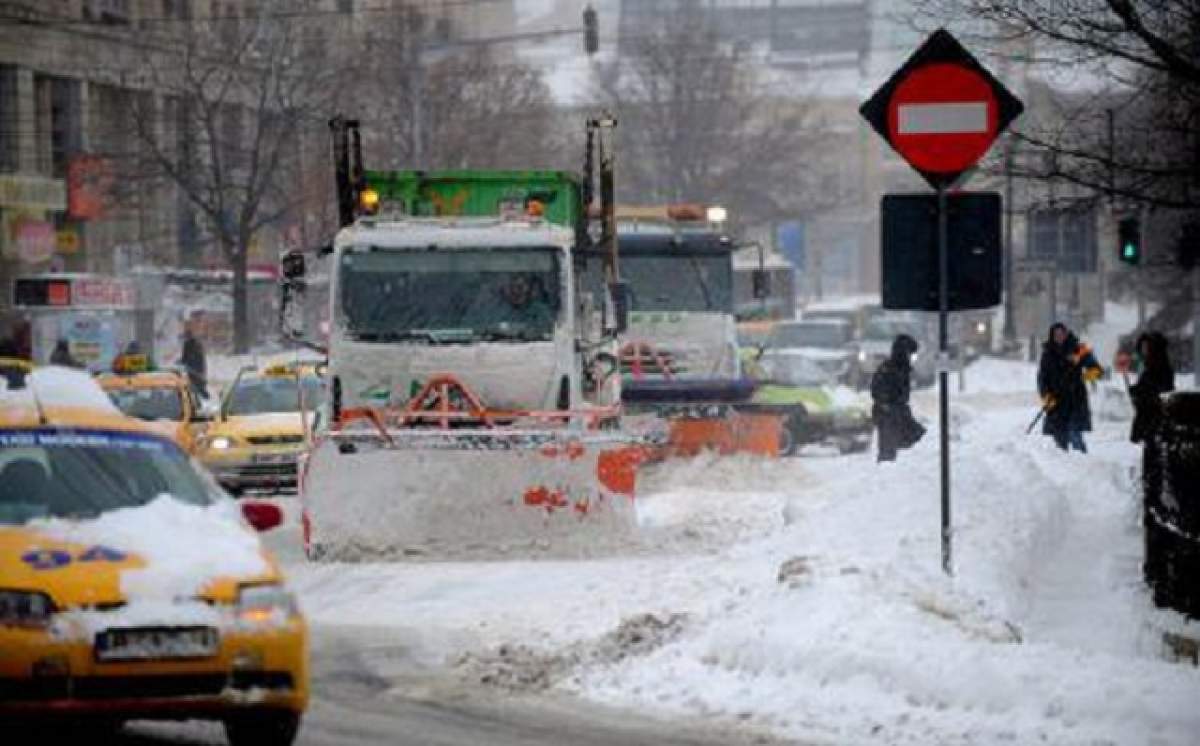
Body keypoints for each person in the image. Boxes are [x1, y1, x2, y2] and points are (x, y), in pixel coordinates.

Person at [1037, 322, 1103, 453]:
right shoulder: (1048, 353)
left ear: (1066, 334)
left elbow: (1097, 371)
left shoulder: (1079, 349)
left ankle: (1084, 464)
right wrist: (1046, 396)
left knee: (1075, 434)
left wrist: (1083, 374)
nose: (1059, 337)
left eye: (1062, 334)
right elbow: (1042, 378)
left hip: (1075, 401)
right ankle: (1064, 469)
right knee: (1060, 441)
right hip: (1056, 402)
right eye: (1056, 335)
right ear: (1052, 336)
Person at [870, 334, 925, 463]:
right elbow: (877, 390)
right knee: (888, 447)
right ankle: (888, 471)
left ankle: (904, 465)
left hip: (898, 410)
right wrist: (886, 404)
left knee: (915, 437)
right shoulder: (889, 369)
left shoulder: (901, 368)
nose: (911, 358)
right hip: (888, 413)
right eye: (910, 354)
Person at [179, 324, 209, 399]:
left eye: (186, 336)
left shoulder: (188, 344)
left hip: (193, 370)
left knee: (195, 387)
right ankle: (204, 397)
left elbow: (185, 357)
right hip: (198, 371)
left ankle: (203, 397)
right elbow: (201, 358)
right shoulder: (197, 344)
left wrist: (182, 363)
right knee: (198, 387)